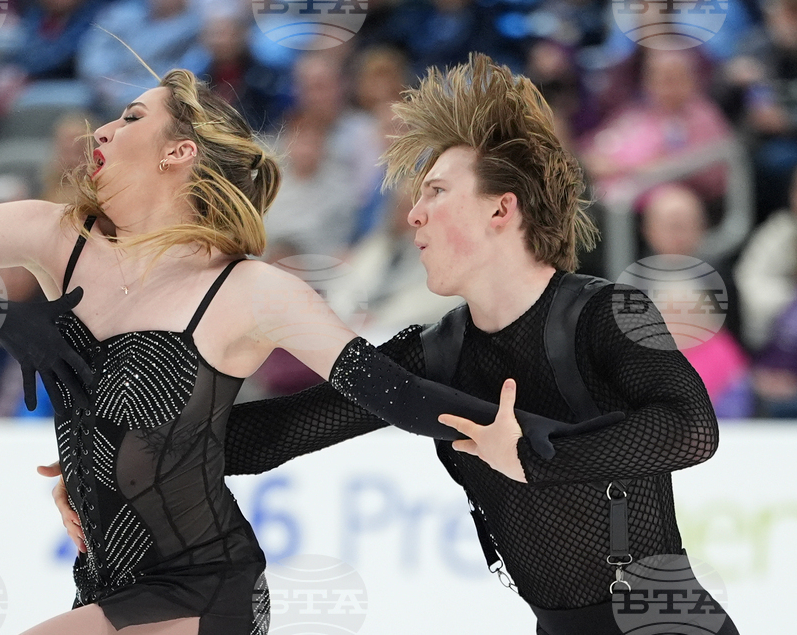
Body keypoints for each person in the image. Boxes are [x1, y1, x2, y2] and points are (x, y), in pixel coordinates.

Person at [0, 67, 577, 634]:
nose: (101, 129)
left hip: (204, 585)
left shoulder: (249, 291)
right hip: (103, 579)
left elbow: (389, 392)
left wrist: (529, 434)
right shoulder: (52, 235)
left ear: (178, 151)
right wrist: (7, 319)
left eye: (130, 116)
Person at [50, 54, 737, 634]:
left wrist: (532, 454)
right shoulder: (434, 355)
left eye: (436, 191)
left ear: (502, 210)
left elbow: (690, 430)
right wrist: (106, 459)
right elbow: (275, 435)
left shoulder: (609, 312)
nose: (413, 212)